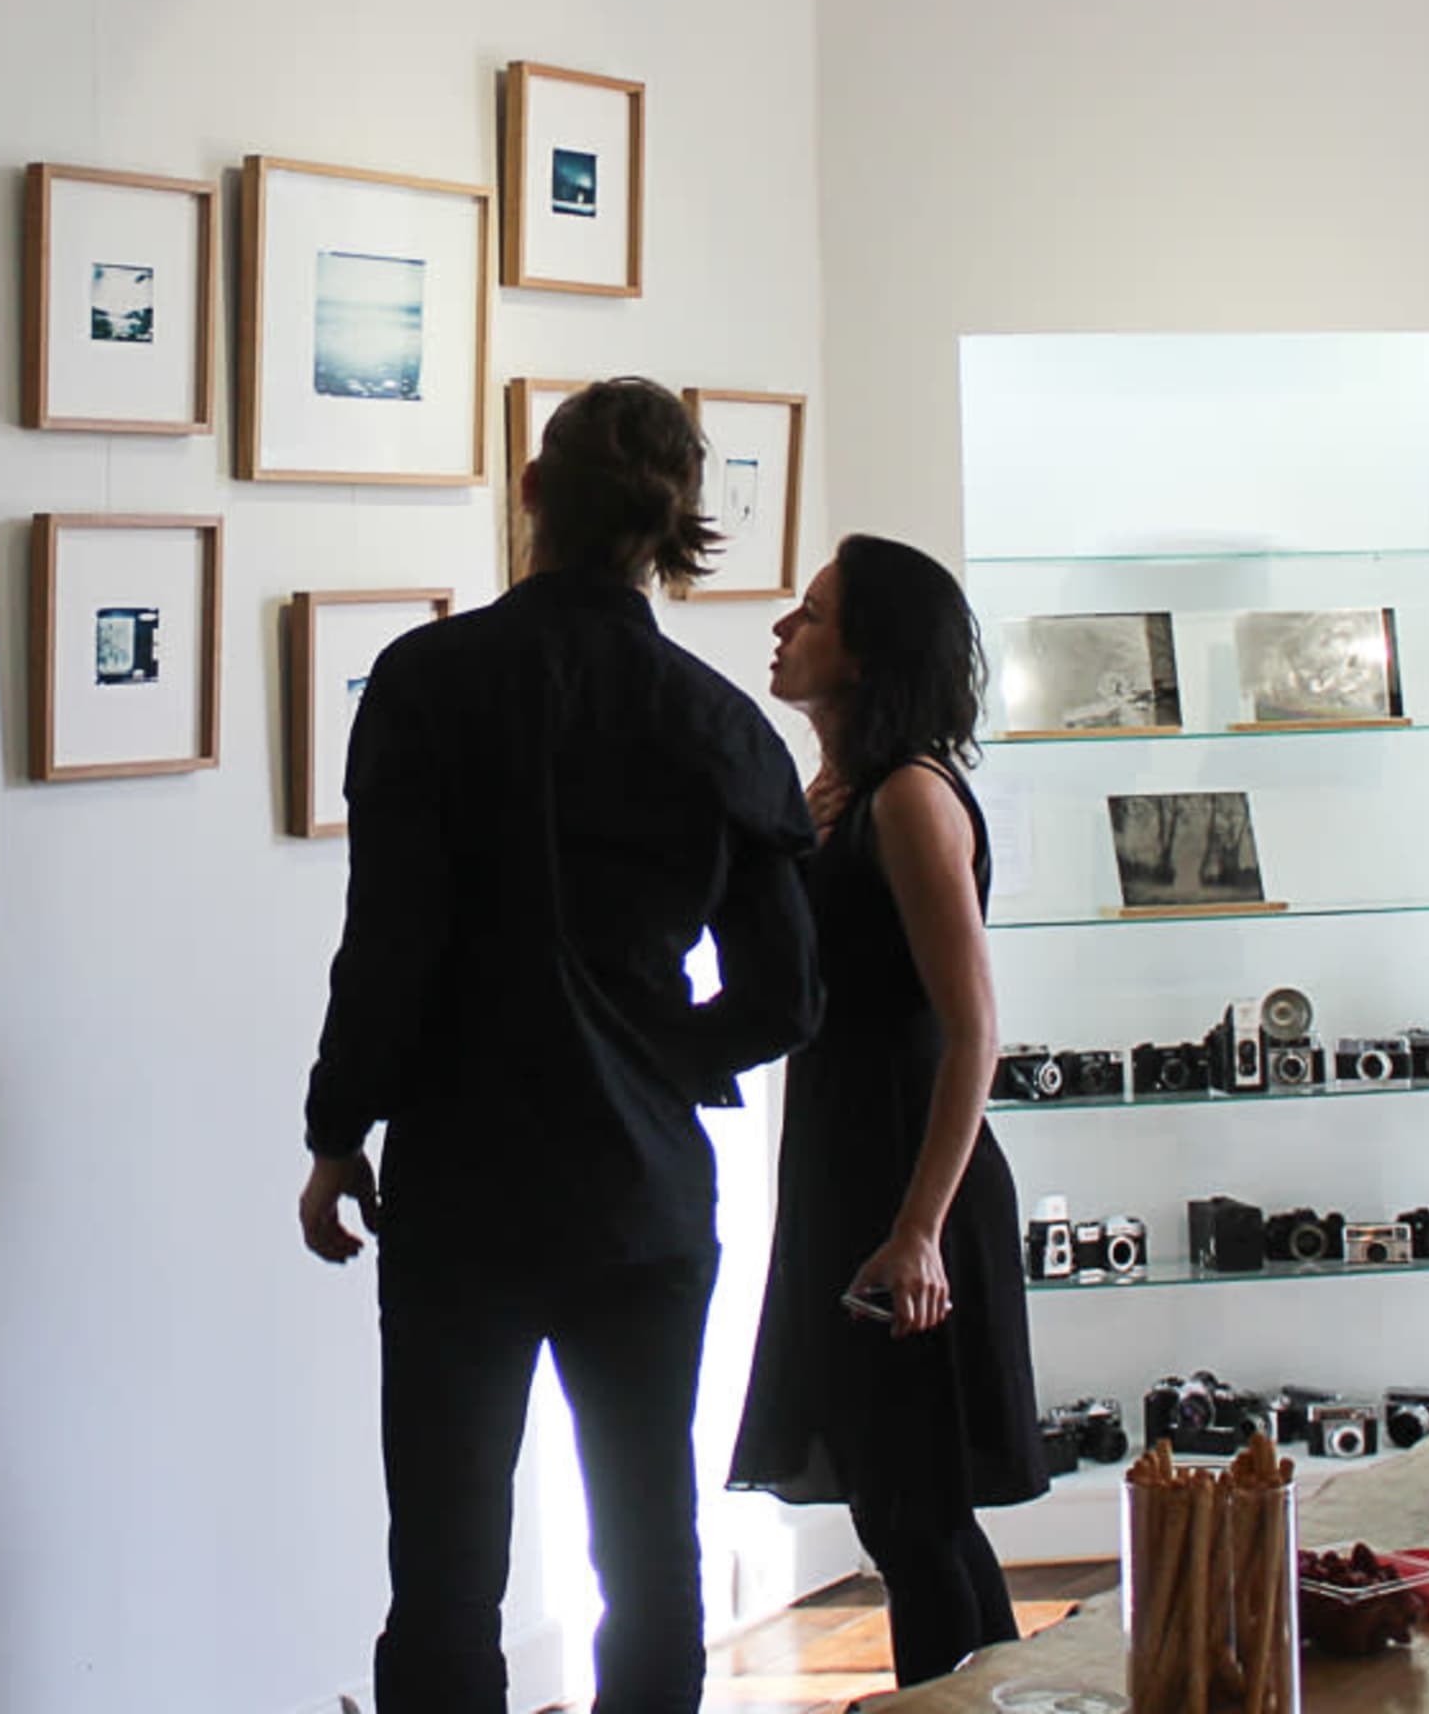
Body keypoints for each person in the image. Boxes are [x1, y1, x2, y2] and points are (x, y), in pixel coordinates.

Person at [298, 377, 821, 1714]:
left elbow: (390, 941)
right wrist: (669, 1053)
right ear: (672, 530)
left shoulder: (428, 681)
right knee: (649, 1546)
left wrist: (336, 1130)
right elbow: (786, 993)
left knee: (446, 1563)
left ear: (530, 494)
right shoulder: (719, 724)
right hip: (641, 1194)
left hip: (463, 1182)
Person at [729, 536, 1047, 1685]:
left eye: (810, 614)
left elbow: (971, 1029)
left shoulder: (910, 797)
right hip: (852, 1168)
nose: (782, 629)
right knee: (906, 1510)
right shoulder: (845, 796)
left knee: (914, 1514)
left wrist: (919, 1229)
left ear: (864, 656)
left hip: (912, 1185)